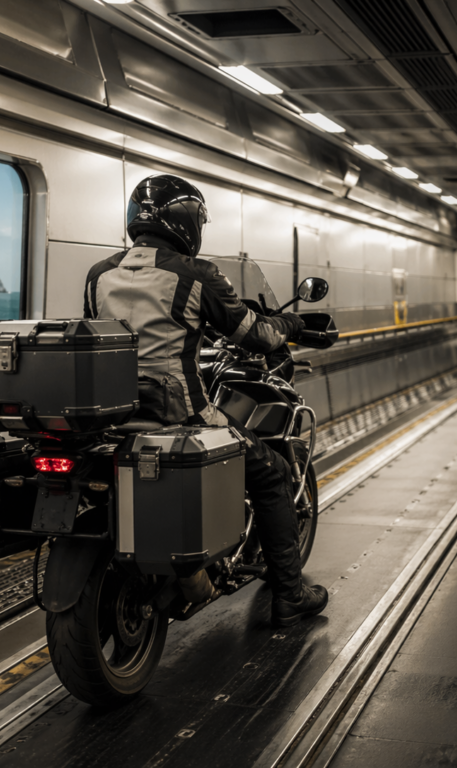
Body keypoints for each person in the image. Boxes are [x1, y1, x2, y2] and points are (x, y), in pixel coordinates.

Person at [83, 174, 328, 628]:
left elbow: (102, 339)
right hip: (182, 414)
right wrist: (291, 325)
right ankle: (290, 594)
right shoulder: (195, 274)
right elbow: (257, 334)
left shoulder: (100, 274)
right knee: (272, 475)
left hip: (113, 416)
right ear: (186, 223)